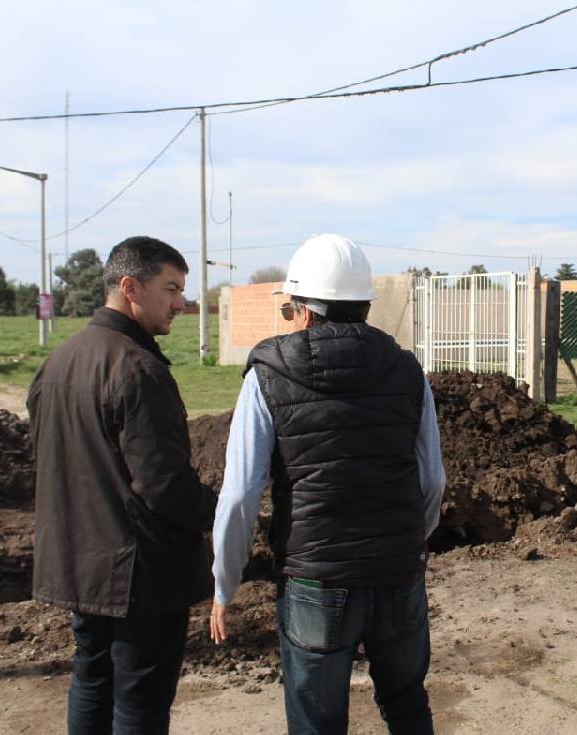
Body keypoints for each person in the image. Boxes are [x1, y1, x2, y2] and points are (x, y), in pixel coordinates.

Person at [210, 233, 445, 735]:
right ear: (363, 305)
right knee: (407, 706)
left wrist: (224, 582)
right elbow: (432, 480)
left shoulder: (267, 376)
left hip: (316, 581)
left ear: (301, 307)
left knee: (317, 723)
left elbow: (239, 496)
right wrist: (404, 544)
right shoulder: (407, 370)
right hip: (398, 573)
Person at [27, 236, 218, 735]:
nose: (181, 303)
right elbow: (163, 484)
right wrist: (220, 512)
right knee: (138, 704)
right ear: (130, 287)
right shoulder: (138, 369)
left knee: (91, 683)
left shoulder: (58, 361)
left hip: (80, 566)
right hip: (140, 577)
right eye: (171, 288)